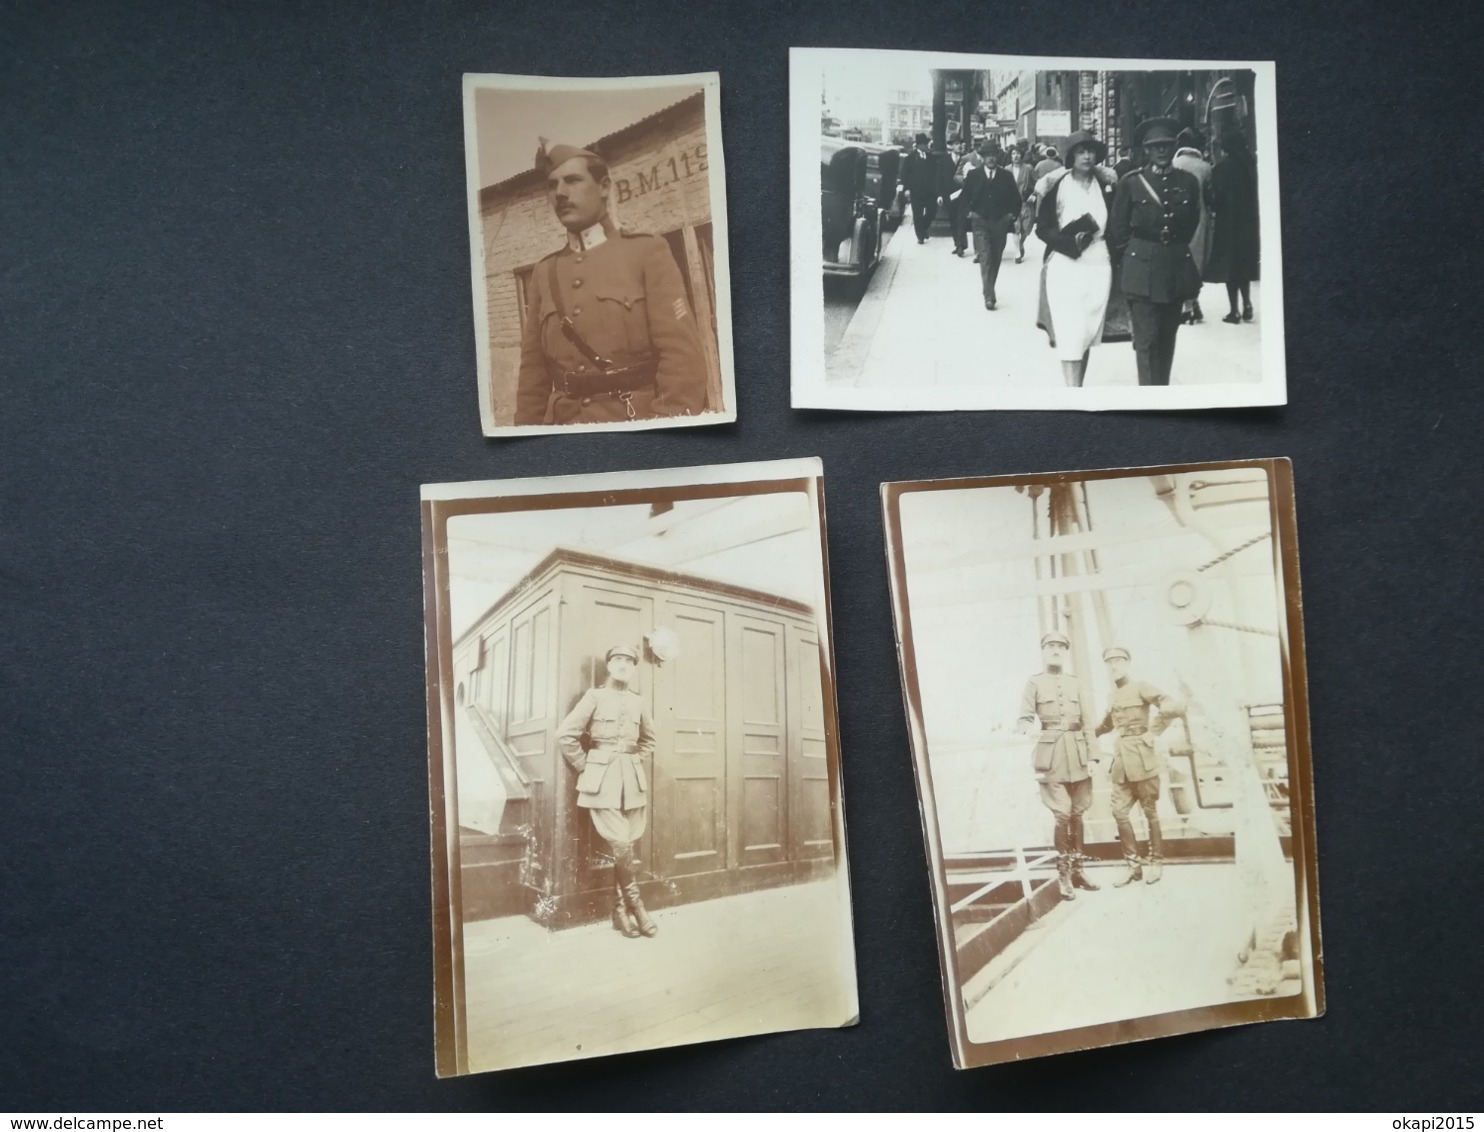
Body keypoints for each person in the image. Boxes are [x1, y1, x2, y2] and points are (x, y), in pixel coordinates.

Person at [515, 141, 708, 426]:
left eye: (573, 180)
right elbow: (533, 376)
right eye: (552, 185)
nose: (560, 194)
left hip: (634, 424)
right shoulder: (545, 272)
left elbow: (682, 361)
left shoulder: (646, 252)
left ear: (604, 187)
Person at [556, 643, 659, 937]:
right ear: (610, 665)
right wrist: (586, 766)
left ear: (634, 667)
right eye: (618, 659)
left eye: (629, 660)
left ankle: (619, 911)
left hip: (632, 779)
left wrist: (635, 759)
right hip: (601, 778)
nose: (624, 664)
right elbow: (565, 735)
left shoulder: (639, 701)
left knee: (624, 844)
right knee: (621, 842)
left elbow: (649, 740)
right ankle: (637, 907)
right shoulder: (595, 696)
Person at [1108, 117, 1203, 385]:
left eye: (1166, 145)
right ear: (1146, 150)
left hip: (1174, 267)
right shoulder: (1131, 183)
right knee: (1146, 340)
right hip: (1141, 267)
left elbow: (1191, 223)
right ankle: (1149, 398)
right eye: (1155, 146)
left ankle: (1162, 391)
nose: (1161, 150)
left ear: (1174, 148)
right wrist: (1135, 255)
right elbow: (1118, 228)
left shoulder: (1188, 182)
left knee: (1167, 338)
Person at [1017, 631, 1100, 900]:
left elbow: (1088, 723)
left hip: (1078, 756)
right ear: (1043, 651)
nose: (1056, 650)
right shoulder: (1034, 683)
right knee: (1062, 814)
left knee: (1078, 814)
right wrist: (1026, 729)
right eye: (1051, 646)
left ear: (1066, 652)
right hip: (1050, 758)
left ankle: (1078, 871)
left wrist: (1094, 757)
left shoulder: (1076, 683)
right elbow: (1024, 717)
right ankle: (1063, 875)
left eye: (1061, 647)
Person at [1035, 131, 1119, 387]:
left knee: (1088, 331)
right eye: (1081, 151)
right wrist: (1069, 242)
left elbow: (1116, 225)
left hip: (1098, 266)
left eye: (1090, 151)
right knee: (1071, 330)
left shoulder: (1106, 186)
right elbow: (1043, 227)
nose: (1086, 156)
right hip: (1066, 265)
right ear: (1071, 156)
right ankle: (1072, 394)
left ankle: (1077, 389)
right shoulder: (1058, 185)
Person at [1093, 647, 1179, 886]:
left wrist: (1154, 732)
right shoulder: (1112, 697)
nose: (1113, 666)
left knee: (1150, 812)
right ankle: (1133, 867)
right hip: (1121, 763)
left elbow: (1172, 706)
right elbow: (1106, 725)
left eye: (1118, 661)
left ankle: (1156, 863)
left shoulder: (1142, 686)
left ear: (1128, 663)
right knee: (1119, 812)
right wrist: (1087, 732)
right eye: (1109, 662)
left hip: (1143, 758)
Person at [1206, 127, 1261, 324]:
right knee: (1244, 265)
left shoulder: (1222, 168)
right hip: (1248, 223)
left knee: (1230, 267)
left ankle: (1234, 311)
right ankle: (1247, 304)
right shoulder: (1250, 164)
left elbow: (1217, 197)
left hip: (1228, 224)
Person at [962, 142, 1022, 310]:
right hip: (980, 222)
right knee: (985, 257)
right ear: (982, 157)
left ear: (997, 157)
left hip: (1000, 223)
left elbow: (1016, 200)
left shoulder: (1006, 176)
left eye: (994, 155)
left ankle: (988, 288)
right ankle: (989, 295)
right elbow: (964, 198)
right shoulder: (974, 175)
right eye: (987, 155)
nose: (991, 159)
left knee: (995, 258)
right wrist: (969, 213)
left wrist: (1011, 215)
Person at [1172, 128, 1214, 324]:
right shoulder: (1205, 167)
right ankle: (1192, 303)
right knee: (1196, 261)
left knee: (1177, 260)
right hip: (1199, 218)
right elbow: (1210, 195)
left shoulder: (1172, 163)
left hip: (1173, 217)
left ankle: (1183, 305)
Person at [900, 132, 938, 244]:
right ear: (919, 145)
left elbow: (935, 174)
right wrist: (906, 189)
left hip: (930, 192)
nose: (927, 146)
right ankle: (920, 236)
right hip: (916, 192)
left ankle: (923, 228)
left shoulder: (931, 158)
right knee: (917, 215)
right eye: (924, 144)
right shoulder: (910, 158)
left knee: (932, 211)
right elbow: (904, 174)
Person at [943, 141, 975, 257]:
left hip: (970, 193)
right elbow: (945, 176)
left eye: (962, 144)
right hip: (954, 193)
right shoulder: (946, 159)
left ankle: (964, 245)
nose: (961, 146)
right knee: (956, 219)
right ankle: (958, 244)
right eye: (957, 144)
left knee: (964, 219)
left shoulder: (968, 158)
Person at [1007, 146, 1036, 263]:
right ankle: (1017, 253)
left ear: (1022, 155)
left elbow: (1037, 183)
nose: (1016, 156)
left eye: (1018, 153)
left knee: (1026, 228)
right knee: (1016, 228)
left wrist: (1034, 194)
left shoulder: (1028, 168)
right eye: (1013, 153)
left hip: (1026, 202)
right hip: (1012, 203)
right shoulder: (1006, 169)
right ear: (1010, 156)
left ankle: (1021, 244)